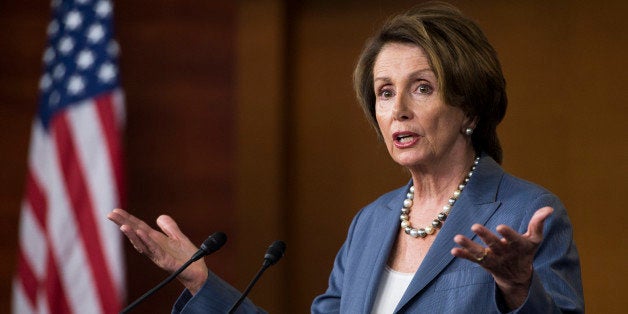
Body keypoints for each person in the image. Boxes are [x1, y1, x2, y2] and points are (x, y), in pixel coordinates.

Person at [108, 2, 584, 313]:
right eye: (383, 92)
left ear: (471, 105)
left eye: (422, 88)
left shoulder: (525, 214)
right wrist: (201, 282)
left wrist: (521, 290)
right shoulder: (371, 223)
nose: (397, 110)